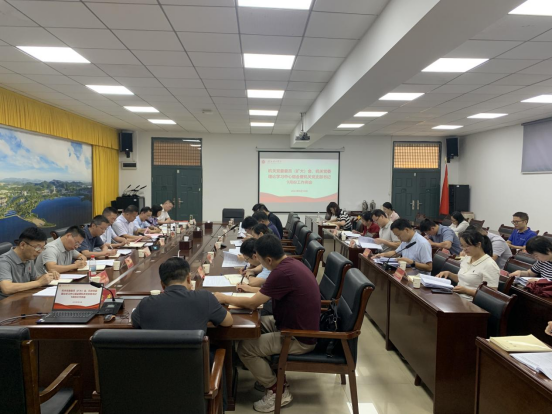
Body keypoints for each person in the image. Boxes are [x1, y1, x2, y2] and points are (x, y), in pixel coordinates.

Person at [214, 235, 320, 412]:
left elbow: (252, 303)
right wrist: (249, 289)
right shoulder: (289, 264)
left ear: (269, 259)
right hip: (289, 323)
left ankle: (277, 389)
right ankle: (268, 375)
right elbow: (267, 291)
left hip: (299, 336)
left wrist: (223, 298)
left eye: (260, 261)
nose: (258, 265)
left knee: (245, 349)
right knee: (246, 328)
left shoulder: (281, 273)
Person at [132, 257, 233, 331]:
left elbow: (134, 323)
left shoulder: (145, 304)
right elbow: (228, 322)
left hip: (157, 355)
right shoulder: (205, 297)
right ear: (189, 278)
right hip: (194, 355)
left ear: (162, 285)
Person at [437, 229, 499, 300]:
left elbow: (491, 295)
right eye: (462, 246)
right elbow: (464, 280)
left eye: (467, 246)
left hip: (472, 303)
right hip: (457, 297)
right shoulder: (468, 257)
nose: (464, 249)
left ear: (478, 245)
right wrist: (449, 274)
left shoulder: (490, 265)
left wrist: (467, 291)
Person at [0, 228, 60, 300]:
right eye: (37, 247)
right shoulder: (4, 261)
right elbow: (7, 288)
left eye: (42, 248)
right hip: (7, 303)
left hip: (24, 298)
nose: (40, 251)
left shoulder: (29, 257)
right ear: (22, 245)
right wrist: (39, 282)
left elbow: (34, 279)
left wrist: (48, 276)